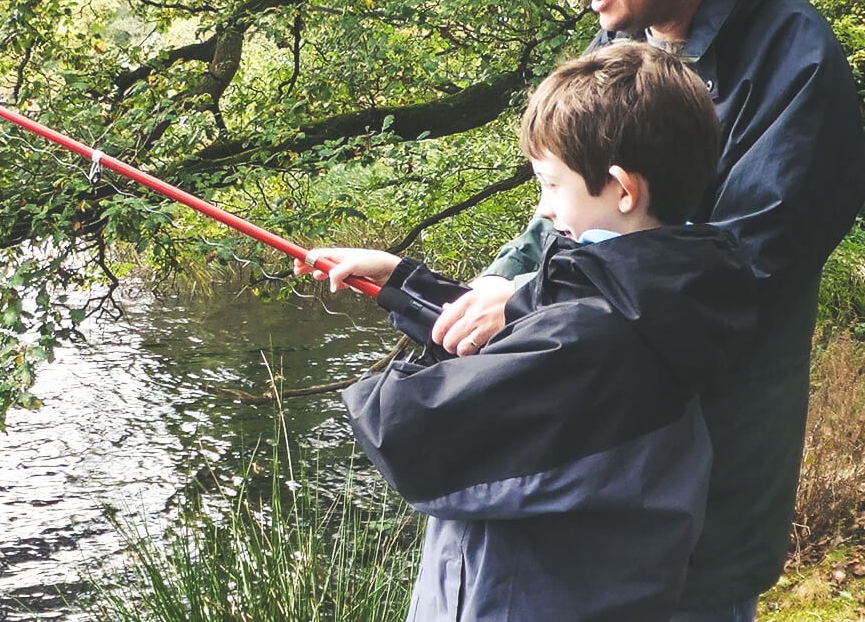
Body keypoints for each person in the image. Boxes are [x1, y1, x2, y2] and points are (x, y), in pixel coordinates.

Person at [427, 0, 865, 622]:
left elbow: (726, 278)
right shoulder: (630, 51)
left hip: (697, 506)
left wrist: (525, 303)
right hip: (600, 486)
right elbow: (554, 223)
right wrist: (471, 293)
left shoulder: (798, 65)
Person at [299, 42, 757, 621]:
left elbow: (408, 427)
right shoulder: (662, 290)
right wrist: (400, 280)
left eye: (551, 184)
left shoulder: (595, 333)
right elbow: (523, 323)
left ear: (622, 189)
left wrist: (371, 389)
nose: (543, 210)